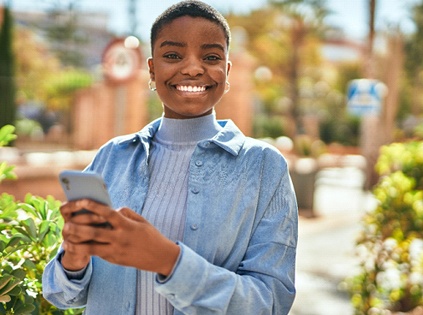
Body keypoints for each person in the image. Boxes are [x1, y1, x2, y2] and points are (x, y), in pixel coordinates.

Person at [42, 1, 298, 314]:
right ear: (152, 69)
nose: (192, 68)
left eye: (211, 57)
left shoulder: (262, 167)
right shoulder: (113, 156)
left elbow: (271, 303)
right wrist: (74, 258)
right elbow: (60, 294)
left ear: (227, 71)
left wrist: (169, 261)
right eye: (173, 55)